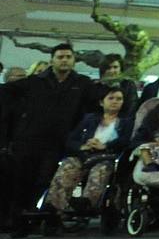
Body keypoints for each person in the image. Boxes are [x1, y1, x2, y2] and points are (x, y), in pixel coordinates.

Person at [6, 44, 99, 236]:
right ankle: (19, 224)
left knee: (48, 182)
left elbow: (101, 102)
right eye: (60, 57)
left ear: (74, 60)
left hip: (59, 143)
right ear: (52, 60)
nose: (64, 60)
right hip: (28, 140)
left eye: (68, 56)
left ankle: (49, 220)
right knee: (22, 182)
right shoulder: (34, 81)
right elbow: (6, 92)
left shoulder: (82, 83)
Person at [44, 85, 132, 222]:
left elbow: (126, 141)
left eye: (119, 99)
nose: (115, 101)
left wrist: (105, 145)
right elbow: (71, 139)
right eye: (111, 98)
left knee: (100, 171)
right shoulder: (89, 119)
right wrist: (82, 146)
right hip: (85, 154)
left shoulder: (127, 122)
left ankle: (87, 203)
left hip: (108, 156)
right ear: (101, 102)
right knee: (67, 166)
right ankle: (54, 207)